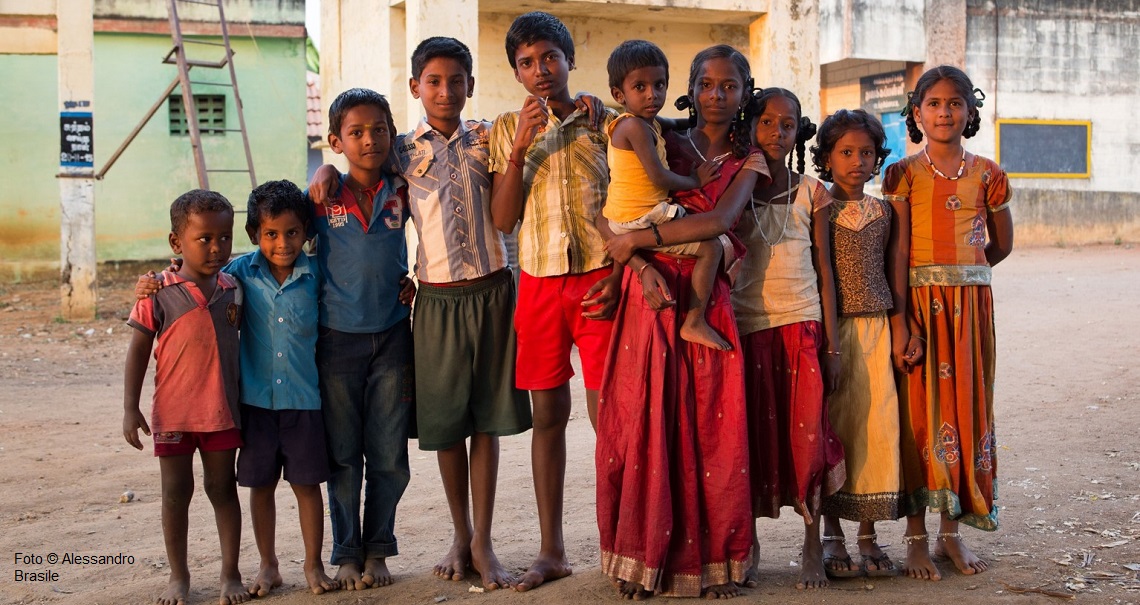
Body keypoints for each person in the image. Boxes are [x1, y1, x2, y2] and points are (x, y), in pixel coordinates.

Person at [307, 37, 532, 592]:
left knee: (488, 423)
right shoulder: (401, 151)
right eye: (433, 81)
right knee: (447, 425)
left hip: (493, 293)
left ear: (471, 85)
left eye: (456, 80)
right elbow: (352, 170)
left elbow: (508, 209)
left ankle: (483, 541)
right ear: (415, 88)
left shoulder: (490, 138)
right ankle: (460, 534)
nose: (445, 91)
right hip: (434, 304)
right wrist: (325, 175)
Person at [598, 44, 765, 599]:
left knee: (712, 429)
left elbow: (719, 220)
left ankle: (717, 562)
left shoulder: (750, 159)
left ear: (745, 94)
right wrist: (636, 262)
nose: (717, 95)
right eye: (707, 84)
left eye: (730, 86)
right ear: (689, 90)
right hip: (648, 295)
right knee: (647, 424)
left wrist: (633, 242)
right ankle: (645, 560)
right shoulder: (658, 135)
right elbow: (608, 212)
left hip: (703, 300)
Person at [135, 182, 338, 597]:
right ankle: (267, 565)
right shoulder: (240, 273)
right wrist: (160, 276)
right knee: (257, 486)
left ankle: (313, 564)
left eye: (293, 233)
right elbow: (193, 273)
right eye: (270, 234)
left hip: (303, 401)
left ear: (306, 233)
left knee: (305, 485)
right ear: (255, 236)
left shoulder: (313, 273)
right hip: (253, 406)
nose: (282, 244)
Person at [487, 11, 622, 591]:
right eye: (526, 63)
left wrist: (620, 273)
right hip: (539, 283)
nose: (540, 70)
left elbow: (630, 204)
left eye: (549, 57)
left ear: (570, 59)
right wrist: (520, 147)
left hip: (598, 278)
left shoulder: (607, 123)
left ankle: (622, 542)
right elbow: (501, 217)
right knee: (548, 416)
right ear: (515, 73)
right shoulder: (502, 129)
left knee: (608, 416)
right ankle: (552, 549)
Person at [883, 64, 1013, 581]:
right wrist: (904, 317)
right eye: (933, 104)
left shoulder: (989, 174)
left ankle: (950, 532)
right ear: (917, 113)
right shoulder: (901, 174)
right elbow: (895, 250)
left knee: (966, 411)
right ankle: (915, 537)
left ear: (970, 112)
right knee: (919, 415)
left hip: (971, 313)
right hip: (917, 307)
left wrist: (965, 278)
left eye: (954, 103)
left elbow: (1000, 244)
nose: (944, 112)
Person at [735, 88, 846, 590]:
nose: (776, 133)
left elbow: (826, 270)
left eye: (787, 125)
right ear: (751, 126)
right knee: (752, 438)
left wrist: (833, 344)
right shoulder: (735, 189)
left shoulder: (811, 192)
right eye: (766, 123)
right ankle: (751, 541)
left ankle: (809, 543)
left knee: (807, 439)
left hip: (802, 324)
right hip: (747, 326)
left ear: (799, 131)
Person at [122, 189, 249, 605]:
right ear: (177, 243)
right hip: (174, 414)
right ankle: (179, 577)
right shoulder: (158, 292)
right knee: (176, 493)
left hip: (222, 413)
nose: (217, 248)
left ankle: (230, 573)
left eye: (225, 237)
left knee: (222, 489)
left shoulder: (234, 288)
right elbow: (139, 349)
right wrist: (129, 407)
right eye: (204, 239)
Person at [314, 88, 416, 591]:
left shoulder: (403, 187)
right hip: (337, 342)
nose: (369, 140)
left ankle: (378, 548)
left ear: (392, 136)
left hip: (394, 336)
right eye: (355, 133)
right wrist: (321, 172)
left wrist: (417, 275)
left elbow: (440, 232)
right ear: (336, 141)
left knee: (390, 454)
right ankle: (346, 553)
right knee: (344, 455)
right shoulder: (322, 196)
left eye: (379, 130)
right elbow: (278, 242)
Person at [810, 110, 912, 579]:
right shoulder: (817, 207)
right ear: (826, 157)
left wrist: (902, 327)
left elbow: (896, 271)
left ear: (878, 158)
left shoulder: (886, 211)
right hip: (832, 332)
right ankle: (831, 534)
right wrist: (827, 344)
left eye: (866, 152)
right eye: (846, 152)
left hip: (877, 330)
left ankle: (868, 533)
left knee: (876, 424)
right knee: (835, 427)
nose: (857, 162)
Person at [601, 39, 728, 350]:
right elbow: (658, 176)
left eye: (659, 85)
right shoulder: (634, 128)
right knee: (712, 248)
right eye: (640, 87)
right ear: (619, 95)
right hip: (642, 218)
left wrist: (705, 118)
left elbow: (677, 122)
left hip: (623, 216)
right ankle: (695, 320)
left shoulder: (646, 123)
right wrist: (694, 180)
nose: (652, 94)